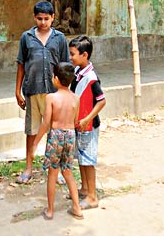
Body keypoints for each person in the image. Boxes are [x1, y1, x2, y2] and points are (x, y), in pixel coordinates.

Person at [15, 0, 70, 184]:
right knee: (31, 131)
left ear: (53, 18)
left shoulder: (60, 38)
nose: (43, 22)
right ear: (34, 17)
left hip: (54, 93)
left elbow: (65, 67)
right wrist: (17, 91)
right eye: (39, 18)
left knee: (55, 132)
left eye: (47, 18)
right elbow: (21, 64)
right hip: (32, 90)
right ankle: (29, 168)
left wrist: (65, 92)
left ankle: (56, 169)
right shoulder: (27, 37)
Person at [32, 62, 83, 220]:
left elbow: (46, 123)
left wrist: (35, 142)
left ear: (55, 79)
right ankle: (77, 208)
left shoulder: (51, 98)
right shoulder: (76, 98)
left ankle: (50, 210)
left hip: (56, 136)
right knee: (67, 171)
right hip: (70, 135)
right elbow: (75, 120)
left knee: (53, 173)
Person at [69, 35, 106, 210]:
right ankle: (84, 188)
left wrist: (87, 118)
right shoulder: (78, 72)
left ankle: (92, 196)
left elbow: (101, 101)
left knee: (88, 160)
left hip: (88, 125)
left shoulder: (91, 77)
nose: (70, 57)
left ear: (84, 55)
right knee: (82, 159)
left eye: (73, 54)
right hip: (79, 124)